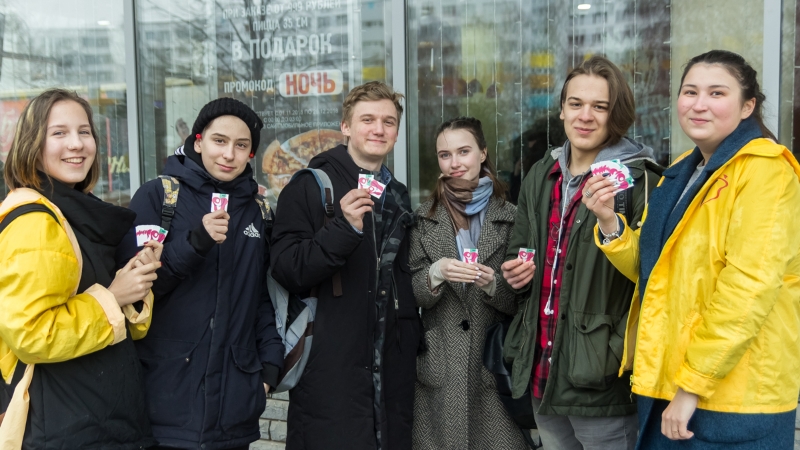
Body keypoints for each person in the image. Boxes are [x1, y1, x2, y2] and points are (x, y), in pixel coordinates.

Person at [584, 50, 800, 449]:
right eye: (690, 92)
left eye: (717, 93)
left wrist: (692, 386)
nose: (699, 104)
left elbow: (749, 289)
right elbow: (657, 273)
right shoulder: (685, 169)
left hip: (731, 397)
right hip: (670, 383)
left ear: (747, 106)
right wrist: (609, 222)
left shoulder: (766, 170)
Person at [500, 56, 662, 450]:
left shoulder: (642, 181)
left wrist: (610, 223)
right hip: (542, 369)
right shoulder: (541, 173)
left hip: (602, 377)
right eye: (576, 104)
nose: (585, 116)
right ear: (562, 110)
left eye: (599, 106)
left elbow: (653, 277)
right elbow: (522, 247)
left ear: (615, 114)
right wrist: (517, 272)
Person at [117, 97, 284, 449]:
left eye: (241, 145)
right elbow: (136, 295)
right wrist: (196, 242)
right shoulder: (159, 197)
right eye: (219, 141)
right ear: (198, 142)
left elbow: (259, 298)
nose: (228, 154)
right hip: (164, 403)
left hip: (234, 410)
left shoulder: (258, 212)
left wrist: (269, 366)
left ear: (251, 154)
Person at [0, 88, 161, 449]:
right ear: (31, 144)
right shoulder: (34, 220)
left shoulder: (76, 211)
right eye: (59, 133)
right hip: (63, 425)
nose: (76, 144)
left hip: (102, 418)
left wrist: (135, 281)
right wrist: (113, 296)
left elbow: (120, 328)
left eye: (84, 131)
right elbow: (31, 336)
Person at [270, 81, 421, 450]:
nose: (378, 129)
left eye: (388, 122)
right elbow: (287, 268)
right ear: (346, 127)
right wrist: (344, 228)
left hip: (390, 372)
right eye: (367, 119)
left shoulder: (398, 195)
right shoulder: (309, 187)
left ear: (396, 133)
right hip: (330, 372)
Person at [409, 117, 527, 449]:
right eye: (445, 155)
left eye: (464, 151)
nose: (454, 163)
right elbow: (412, 292)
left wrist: (493, 285)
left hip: (493, 368)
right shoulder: (422, 218)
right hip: (440, 367)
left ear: (483, 153)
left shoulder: (513, 217)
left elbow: (523, 298)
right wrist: (436, 273)